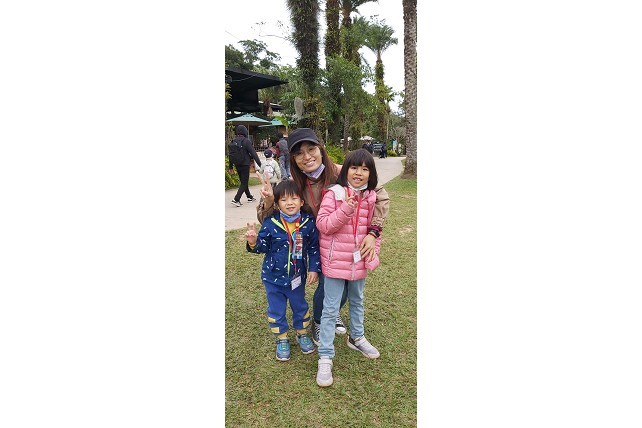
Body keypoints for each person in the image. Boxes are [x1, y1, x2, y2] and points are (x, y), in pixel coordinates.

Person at [256, 128, 389, 347]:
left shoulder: (343, 172)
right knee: (328, 284)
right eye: (299, 153)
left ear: (321, 148)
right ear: (293, 159)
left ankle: (330, 313)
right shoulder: (294, 184)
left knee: (345, 284)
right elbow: (269, 220)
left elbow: (381, 196)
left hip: (343, 240)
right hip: (312, 240)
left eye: (311, 149)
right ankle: (319, 321)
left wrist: (373, 232)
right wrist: (270, 201)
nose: (307, 157)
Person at [314, 148, 383, 387]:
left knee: (358, 300)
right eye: (354, 167)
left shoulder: (371, 197)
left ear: (371, 174)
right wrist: (346, 209)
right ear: (346, 170)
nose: (359, 173)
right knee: (330, 309)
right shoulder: (334, 193)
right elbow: (323, 225)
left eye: (365, 169)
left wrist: (373, 251)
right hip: (335, 261)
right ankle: (325, 355)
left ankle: (357, 337)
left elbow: (375, 229)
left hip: (358, 261)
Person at [245, 180, 320, 361]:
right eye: (284, 200)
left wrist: (313, 268)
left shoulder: (308, 223)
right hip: (272, 278)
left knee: (300, 306)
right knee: (276, 309)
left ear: (302, 201)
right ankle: (282, 338)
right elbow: (262, 247)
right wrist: (254, 241)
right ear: (277, 205)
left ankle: (302, 333)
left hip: (297, 277)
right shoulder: (270, 223)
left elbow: (313, 248)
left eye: (294, 198)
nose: (290, 203)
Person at [228, 125, 262, 207]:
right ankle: (236, 199)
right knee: (244, 182)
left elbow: (231, 155)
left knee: (243, 182)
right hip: (245, 164)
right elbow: (253, 153)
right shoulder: (246, 141)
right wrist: (260, 165)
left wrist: (230, 167)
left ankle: (249, 197)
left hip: (237, 164)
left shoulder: (233, 141)